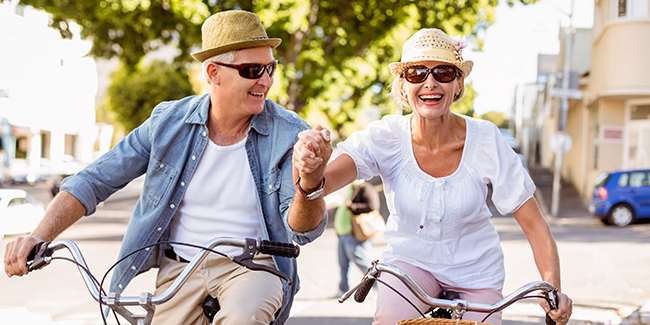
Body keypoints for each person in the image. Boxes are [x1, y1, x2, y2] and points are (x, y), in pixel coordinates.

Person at [4, 10, 328, 325]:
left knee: (244, 317)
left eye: (270, 68)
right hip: (180, 270)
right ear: (213, 72)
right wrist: (37, 237)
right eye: (253, 70)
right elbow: (94, 181)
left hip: (253, 268)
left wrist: (310, 183)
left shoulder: (288, 133)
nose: (267, 81)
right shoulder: (167, 123)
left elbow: (302, 230)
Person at [290, 28, 573, 325]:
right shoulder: (385, 137)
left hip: (476, 271)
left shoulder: (486, 139)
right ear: (402, 86)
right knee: (388, 320)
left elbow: (535, 225)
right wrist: (313, 165)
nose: (430, 83)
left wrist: (552, 288)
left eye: (443, 73)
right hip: (409, 264)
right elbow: (324, 183)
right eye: (416, 73)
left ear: (458, 84)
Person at [334, 179, 380, 297]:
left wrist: (352, 206)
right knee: (343, 263)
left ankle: (378, 286)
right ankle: (343, 289)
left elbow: (372, 206)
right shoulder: (353, 187)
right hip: (343, 233)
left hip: (354, 234)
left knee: (361, 261)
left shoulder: (365, 187)